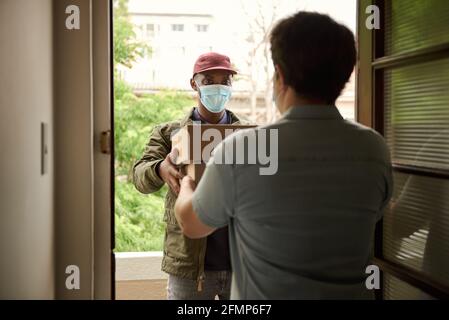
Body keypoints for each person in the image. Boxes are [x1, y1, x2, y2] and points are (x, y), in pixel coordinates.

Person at [174, 12, 393, 299]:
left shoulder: (245, 148)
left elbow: (191, 224)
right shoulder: (373, 148)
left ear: (280, 74)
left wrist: (187, 185)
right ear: (345, 76)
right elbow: (381, 219)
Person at [132, 52, 249, 300]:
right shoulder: (169, 133)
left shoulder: (248, 134)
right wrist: (160, 169)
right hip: (189, 266)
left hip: (241, 264)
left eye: (225, 81)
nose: (218, 87)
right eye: (208, 80)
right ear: (194, 83)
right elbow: (139, 177)